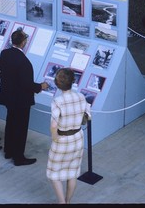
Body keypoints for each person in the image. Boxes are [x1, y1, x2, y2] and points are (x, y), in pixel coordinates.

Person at [0, 29, 48, 166]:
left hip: (9, 97)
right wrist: (40, 87)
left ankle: (8, 150)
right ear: (24, 42)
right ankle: (18, 157)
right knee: (20, 128)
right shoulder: (24, 62)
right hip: (21, 100)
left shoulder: (5, 53)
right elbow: (27, 84)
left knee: (10, 124)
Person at [46, 68, 91, 204]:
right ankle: (68, 201)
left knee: (54, 174)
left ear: (57, 83)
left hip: (62, 139)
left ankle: (62, 203)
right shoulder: (81, 96)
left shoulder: (57, 101)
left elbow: (54, 125)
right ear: (73, 81)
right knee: (73, 173)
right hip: (77, 138)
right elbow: (88, 117)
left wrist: (55, 137)